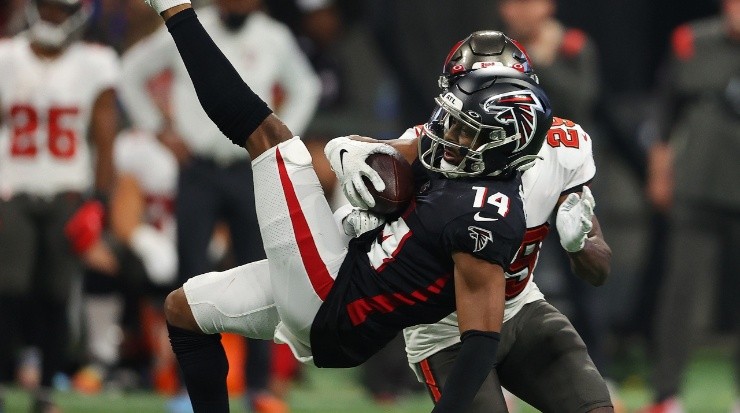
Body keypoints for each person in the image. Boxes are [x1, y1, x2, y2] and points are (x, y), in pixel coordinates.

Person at [142, 1, 552, 412]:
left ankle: (173, 9)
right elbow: (400, 146)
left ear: (503, 145)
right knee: (183, 309)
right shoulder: (460, 159)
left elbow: (480, 344)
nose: (449, 134)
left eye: (466, 130)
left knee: (267, 136)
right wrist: (348, 148)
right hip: (343, 274)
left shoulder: (487, 217)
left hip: (335, 304)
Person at [394, 31, 615, 413]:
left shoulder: (565, 149)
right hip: (446, 329)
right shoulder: (423, 153)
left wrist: (579, 243)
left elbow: (598, 271)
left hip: (520, 309)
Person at [119, 0, 321, 410]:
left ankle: (259, 386)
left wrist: (284, 137)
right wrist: (158, 129)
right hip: (199, 166)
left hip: (251, 167)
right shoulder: (192, 26)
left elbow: (307, 87)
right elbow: (131, 72)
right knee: (189, 272)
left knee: (268, 272)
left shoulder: (273, 36)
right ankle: (183, 387)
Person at [0, 0, 119, 410]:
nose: (52, 18)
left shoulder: (95, 63)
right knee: (7, 289)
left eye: (60, 11)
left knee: (55, 295)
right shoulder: (6, 57)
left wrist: (100, 202)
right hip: (12, 188)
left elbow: (105, 138)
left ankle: (46, 390)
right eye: (47, 9)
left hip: (69, 190)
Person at [642, 0, 740, 411]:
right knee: (680, 292)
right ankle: (667, 394)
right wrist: (659, 169)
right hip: (698, 186)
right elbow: (664, 112)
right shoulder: (692, 42)